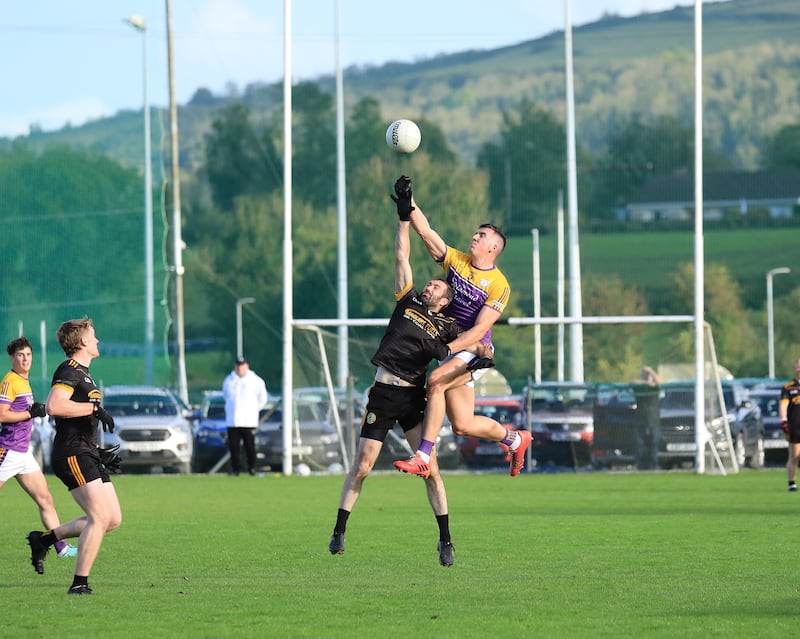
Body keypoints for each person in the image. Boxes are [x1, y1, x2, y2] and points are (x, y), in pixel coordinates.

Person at [329, 214, 470, 567]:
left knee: (431, 469)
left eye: (436, 286)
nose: (429, 287)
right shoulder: (408, 303)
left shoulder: (448, 327)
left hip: (412, 400)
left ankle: (446, 540)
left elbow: (470, 345)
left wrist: (481, 354)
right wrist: (404, 215)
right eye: (430, 285)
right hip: (382, 393)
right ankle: (339, 531)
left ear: (445, 298)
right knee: (362, 466)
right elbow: (401, 257)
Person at [390, 175, 533, 478]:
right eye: (476, 234)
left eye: (481, 236)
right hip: (450, 348)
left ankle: (423, 455)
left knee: (437, 381)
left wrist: (449, 348)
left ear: (494, 247)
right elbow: (427, 234)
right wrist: (409, 201)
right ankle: (516, 439)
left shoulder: (499, 285)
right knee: (463, 424)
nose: (475, 237)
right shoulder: (458, 261)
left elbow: (480, 330)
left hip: (473, 351)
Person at [27, 317, 122, 595]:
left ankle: (44, 539)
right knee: (99, 517)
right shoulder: (69, 370)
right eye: (93, 336)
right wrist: (94, 410)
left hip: (85, 452)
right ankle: (79, 583)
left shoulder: (84, 373)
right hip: (71, 454)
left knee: (112, 519)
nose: (97, 340)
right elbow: (55, 406)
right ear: (82, 342)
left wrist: (98, 452)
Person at [0, 337, 77, 561]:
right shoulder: (10, 382)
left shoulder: (24, 381)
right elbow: (2, 415)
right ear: (12, 358)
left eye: (28, 355)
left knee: (45, 499)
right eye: (20, 355)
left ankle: (61, 548)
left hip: (23, 454)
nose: (25, 359)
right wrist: (30, 413)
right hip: (8, 451)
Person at [222, 356, 268, 476]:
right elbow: (226, 396)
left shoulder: (256, 381)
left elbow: (262, 399)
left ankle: (251, 468)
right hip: (233, 420)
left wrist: (252, 410)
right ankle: (235, 469)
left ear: (246, 366)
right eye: (238, 365)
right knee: (234, 447)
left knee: (250, 446)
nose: (239, 368)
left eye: (242, 365)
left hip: (249, 420)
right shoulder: (229, 380)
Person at [779, 358, 800, 492]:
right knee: (794, 455)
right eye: (797, 367)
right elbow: (783, 405)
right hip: (796, 426)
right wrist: (783, 421)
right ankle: (792, 483)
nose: (799, 369)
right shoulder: (788, 387)